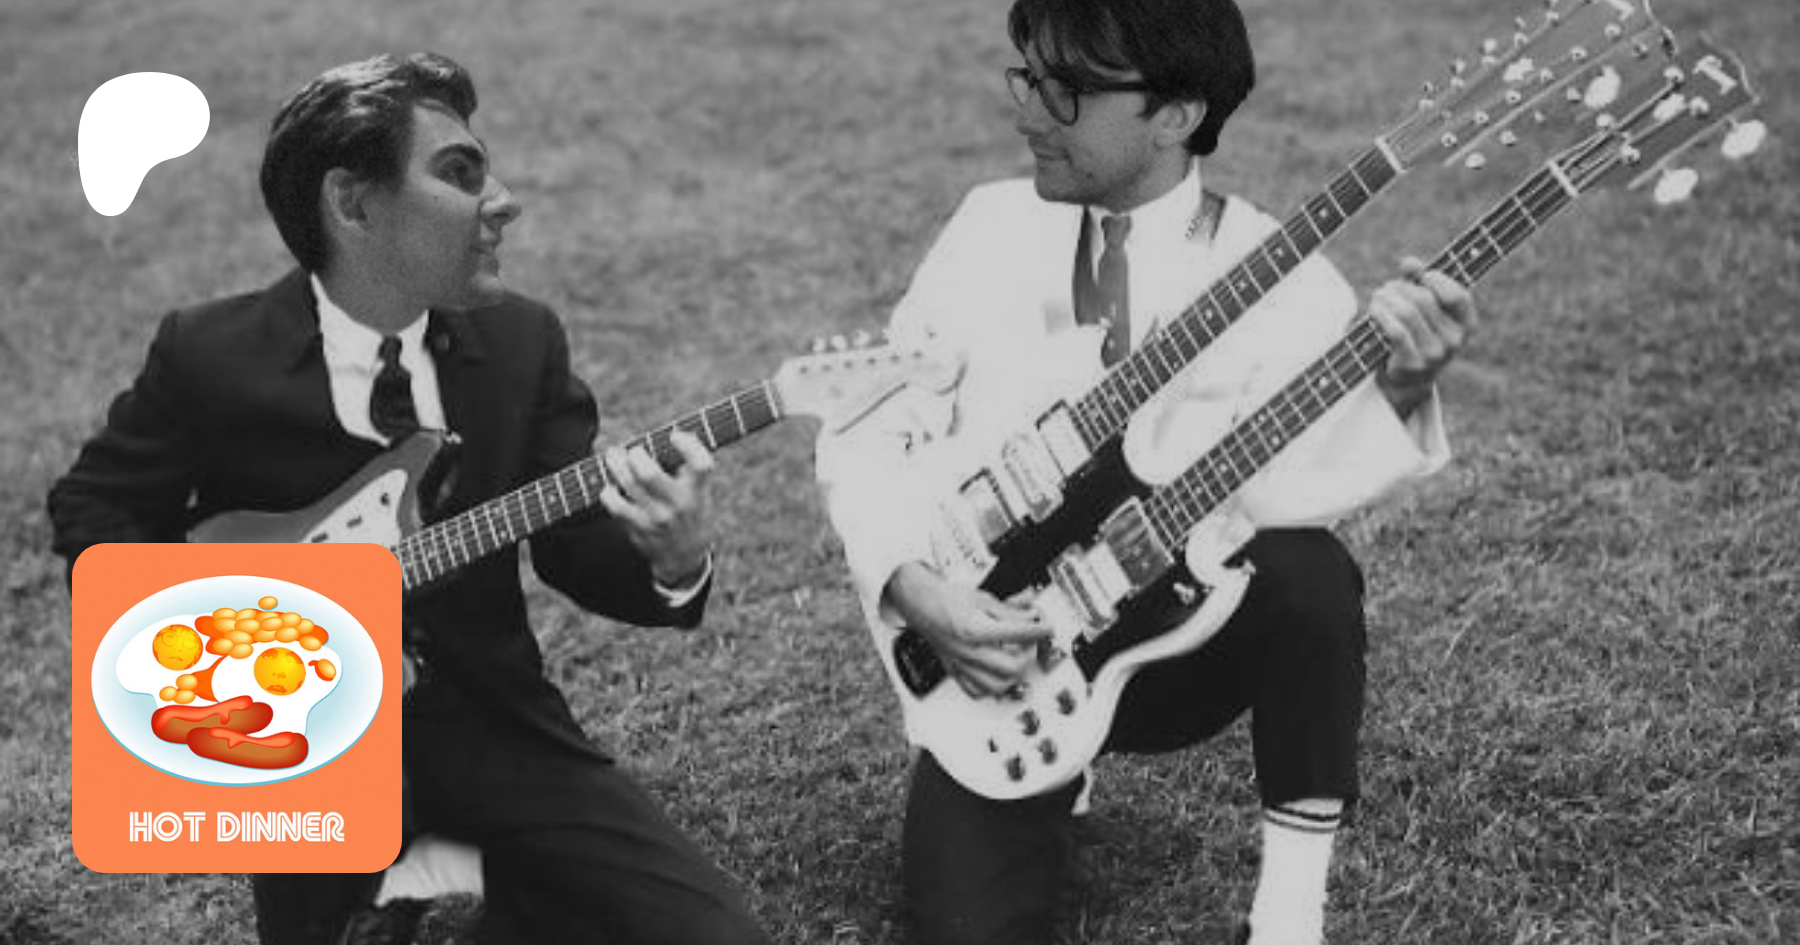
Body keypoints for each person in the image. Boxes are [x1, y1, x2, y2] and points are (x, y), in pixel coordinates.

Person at [47, 52, 768, 945]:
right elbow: (93, 509)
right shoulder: (211, 355)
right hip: (312, 752)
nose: (503, 200)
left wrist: (674, 560)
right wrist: (224, 650)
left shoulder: (521, 341)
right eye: (460, 174)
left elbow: (575, 548)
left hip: (497, 729)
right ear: (353, 204)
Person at [815, 1, 1477, 943]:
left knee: (1310, 573)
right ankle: (1055, 778)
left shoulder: (1270, 265)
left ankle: (1289, 912)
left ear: (1175, 114)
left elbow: (1293, 487)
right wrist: (917, 590)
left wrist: (1401, 387)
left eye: (1066, 92)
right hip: (1004, 658)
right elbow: (870, 429)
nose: (1028, 112)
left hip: (1175, 640)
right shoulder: (987, 229)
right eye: (1029, 76)